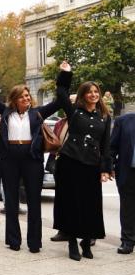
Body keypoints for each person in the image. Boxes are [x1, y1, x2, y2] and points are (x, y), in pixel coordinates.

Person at [0, 62, 72, 253]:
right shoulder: (6, 112)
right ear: (14, 100)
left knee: (34, 201)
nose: (26, 98)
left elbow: (60, 101)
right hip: (10, 159)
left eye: (27, 96)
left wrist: (64, 74)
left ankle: (34, 242)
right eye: (22, 96)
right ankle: (13, 240)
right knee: (11, 201)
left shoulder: (37, 113)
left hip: (32, 159)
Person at [53, 81, 113, 261]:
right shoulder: (74, 111)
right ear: (83, 95)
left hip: (92, 164)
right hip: (70, 162)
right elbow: (61, 92)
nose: (93, 95)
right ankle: (72, 241)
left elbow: (106, 145)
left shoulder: (105, 116)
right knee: (71, 203)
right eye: (89, 92)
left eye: (96, 91)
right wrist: (65, 73)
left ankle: (86, 241)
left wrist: (106, 168)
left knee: (91, 205)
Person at [110, 111, 135, 255]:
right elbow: (112, 147)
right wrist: (109, 167)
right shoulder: (123, 121)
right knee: (128, 208)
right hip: (128, 171)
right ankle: (127, 241)